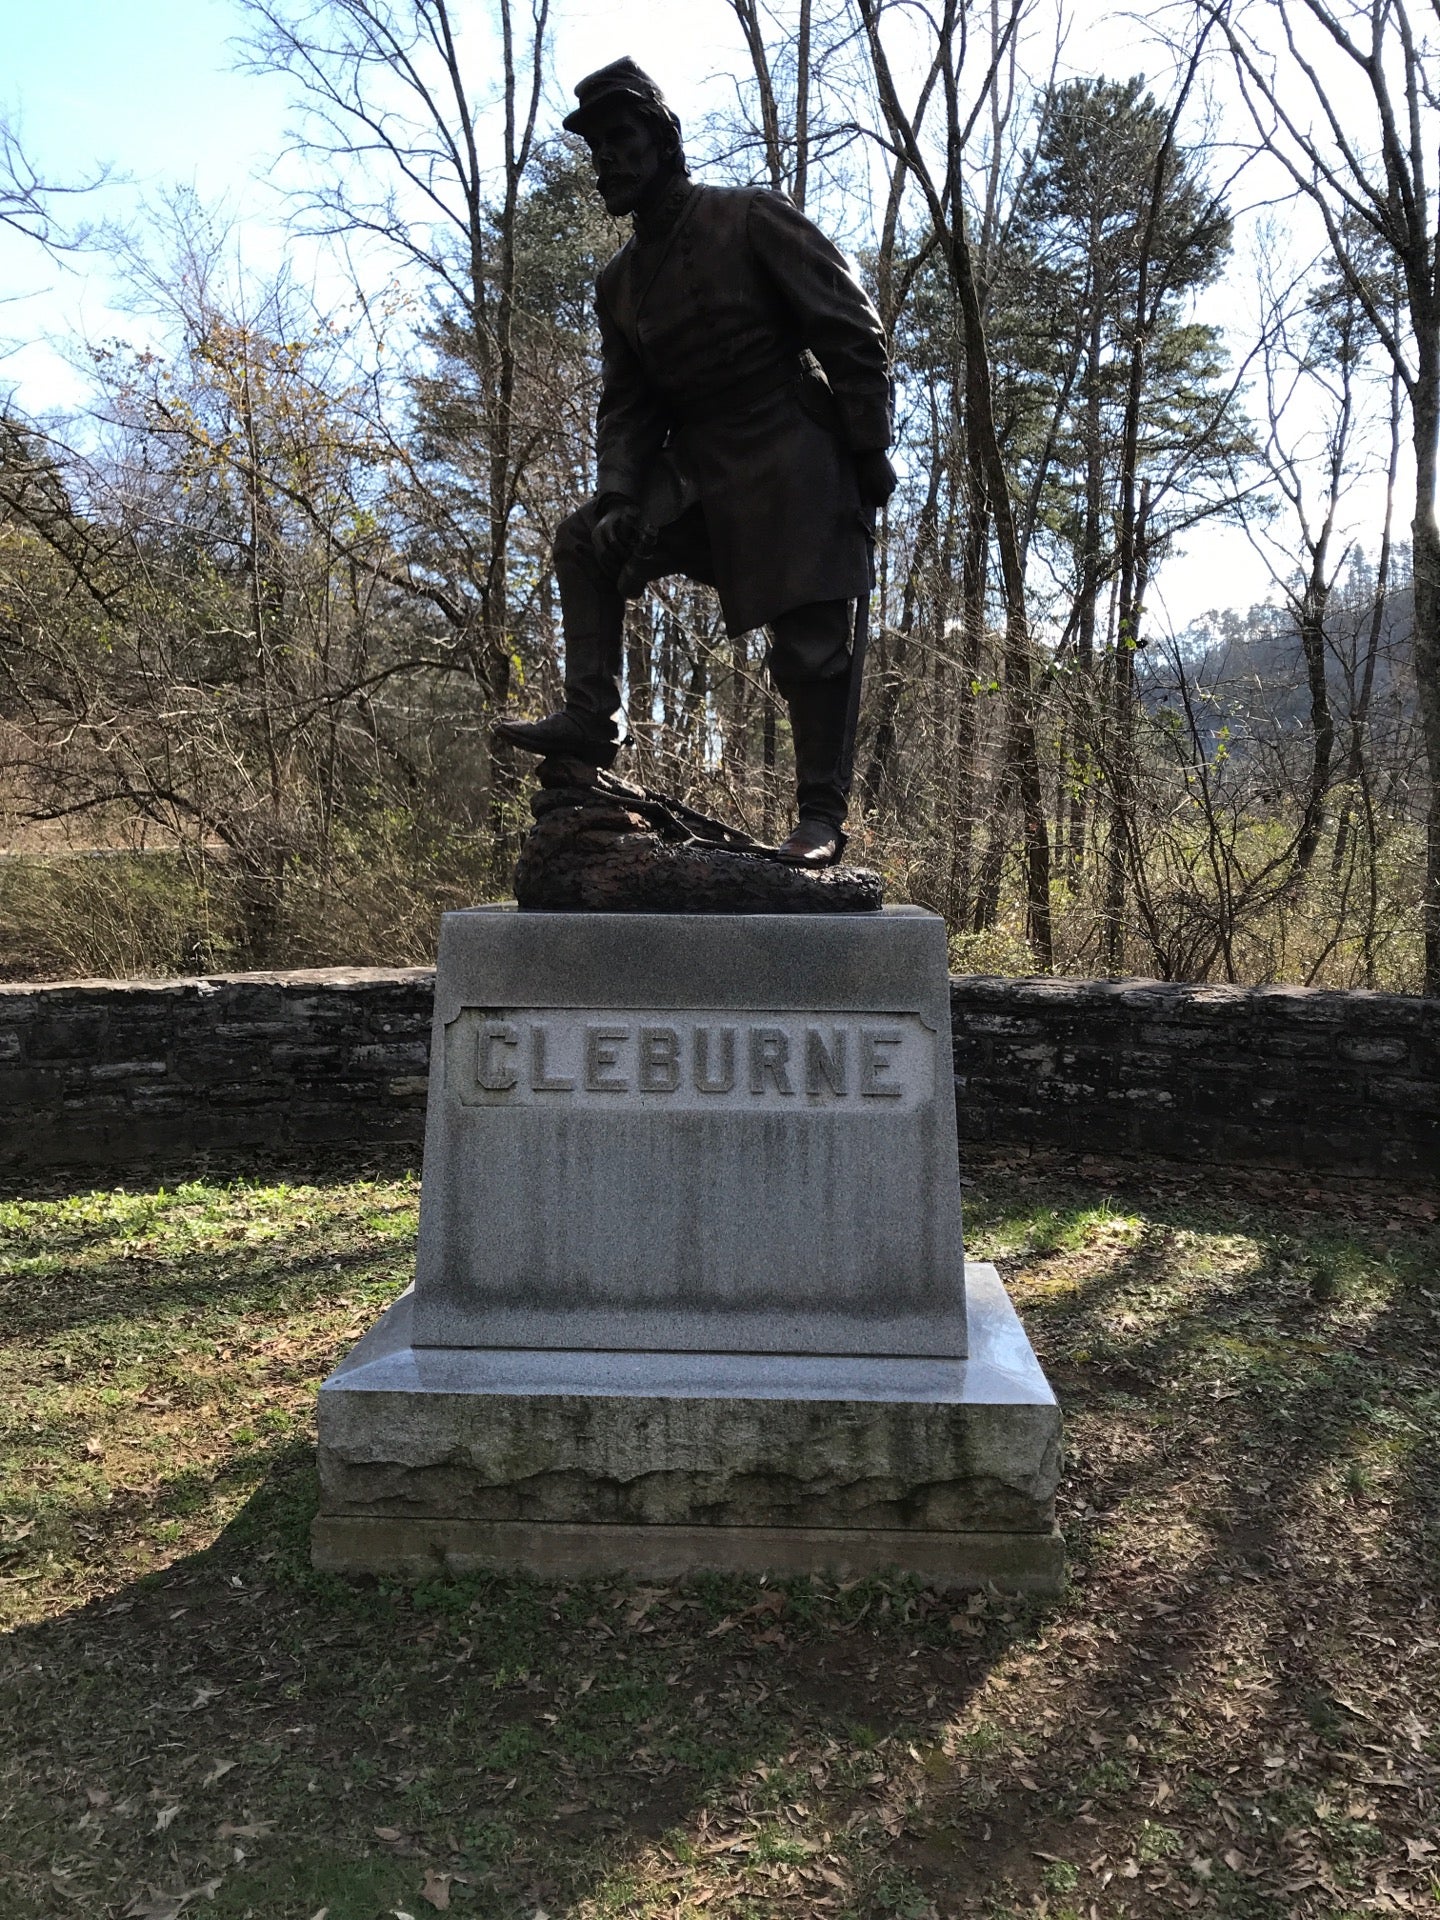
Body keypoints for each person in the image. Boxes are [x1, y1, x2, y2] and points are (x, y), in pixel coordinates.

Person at [493, 58, 897, 867]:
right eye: (597, 146)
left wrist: (866, 451)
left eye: (623, 138)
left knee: (814, 646)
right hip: (699, 469)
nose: (608, 158)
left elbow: (852, 329)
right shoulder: (618, 285)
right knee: (584, 541)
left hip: (795, 447)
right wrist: (617, 498)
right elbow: (628, 406)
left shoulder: (748, 217)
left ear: (663, 141)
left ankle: (819, 815)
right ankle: (592, 717)